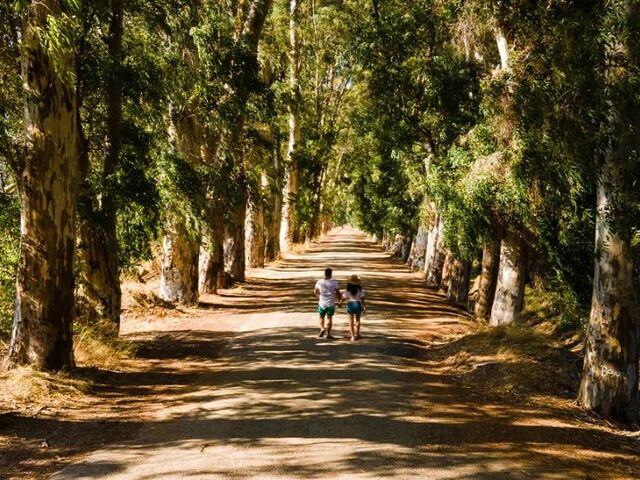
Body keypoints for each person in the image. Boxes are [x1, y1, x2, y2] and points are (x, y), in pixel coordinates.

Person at [313, 268, 340, 339]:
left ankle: (322, 328)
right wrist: (340, 300)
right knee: (329, 318)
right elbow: (337, 292)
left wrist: (319, 297)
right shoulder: (334, 282)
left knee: (321, 317)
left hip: (322, 303)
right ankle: (328, 334)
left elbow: (315, 292)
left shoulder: (319, 282)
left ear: (324, 274)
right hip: (331, 303)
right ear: (331, 274)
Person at [339, 274, 366, 342]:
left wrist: (340, 303)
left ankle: (353, 336)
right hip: (358, 304)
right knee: (358, 320)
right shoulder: (360, 289)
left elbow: (343, 298)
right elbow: (362, 299)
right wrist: (364, 306)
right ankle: (357, 334)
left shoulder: (348, 289)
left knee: (350, 322)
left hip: (350, 304)